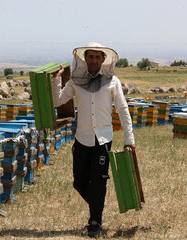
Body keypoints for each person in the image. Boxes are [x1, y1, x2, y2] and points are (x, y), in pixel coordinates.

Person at [51, 42, 135, 238]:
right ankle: (98, 206)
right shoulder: (74, 82)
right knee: (79, 182)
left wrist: (129, 137)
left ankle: (94, 220)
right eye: (91, 57)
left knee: (99, 182)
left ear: (104, 60)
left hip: (103, 139)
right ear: (85, 59)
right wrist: (56, 80)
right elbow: (58, 101)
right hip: (82, 138)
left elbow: (122, 109)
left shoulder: (113, 81)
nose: (94, 60)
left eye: (98, 57)